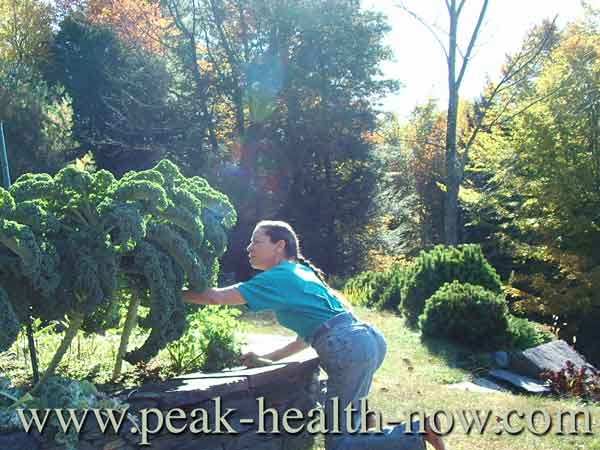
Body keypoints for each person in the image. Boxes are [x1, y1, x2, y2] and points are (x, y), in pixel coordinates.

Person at [182, 220, 446, 450]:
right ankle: (384, 433)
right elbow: (306, 336)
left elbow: (215, 297)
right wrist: (267, 357)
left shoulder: (279, 277)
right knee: (349, 427)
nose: (249, 248)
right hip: (366, 340)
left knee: (339, 444)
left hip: (348, 347)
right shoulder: (301, 272)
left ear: (279, 245)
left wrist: (167, 290)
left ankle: (418, 431)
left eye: (256, 241)